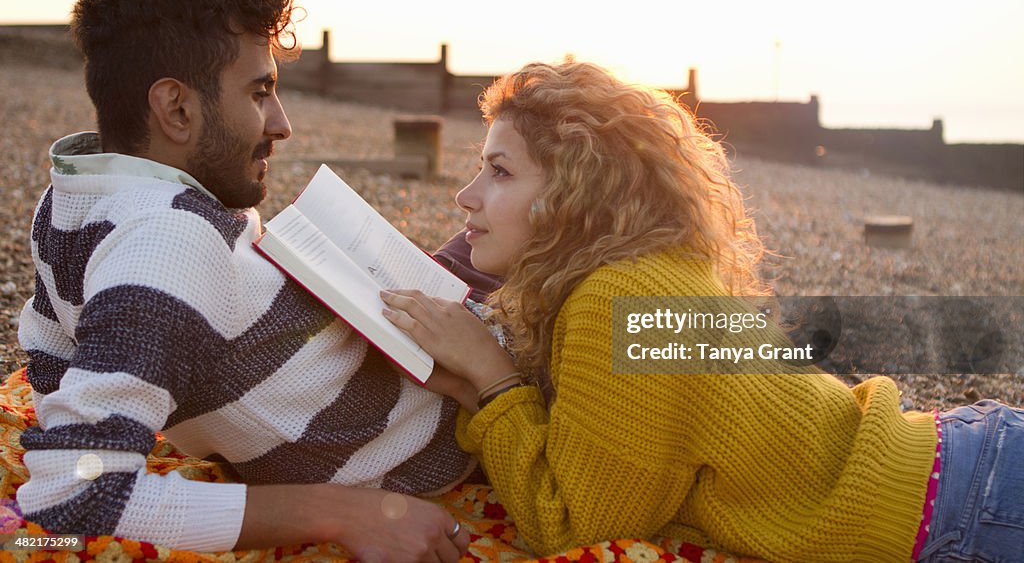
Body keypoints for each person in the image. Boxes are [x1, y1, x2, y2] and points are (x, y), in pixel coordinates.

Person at [381, 61, 1024, 562]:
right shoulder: (647, 269)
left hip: (959, 511)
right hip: (961, 467)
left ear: (576, 193)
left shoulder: (615, 301)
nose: (465, 197)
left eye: (499, 172)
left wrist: (491, 383)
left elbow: (576, 526)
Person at [16, 0, 472, 562]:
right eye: (261, 93)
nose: (281, 124)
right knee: (629, 315)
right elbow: (72, 503)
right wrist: (348, 515)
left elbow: (52, 372)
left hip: (437, 358)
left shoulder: (70, 197)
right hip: (466, 436)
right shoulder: (170, 242)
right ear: (176, 108)